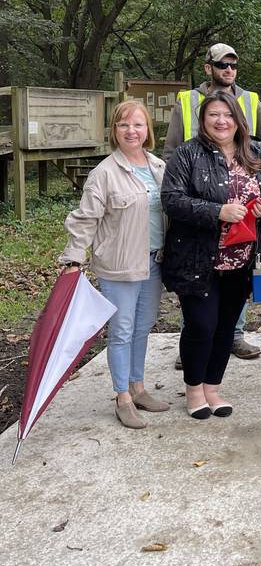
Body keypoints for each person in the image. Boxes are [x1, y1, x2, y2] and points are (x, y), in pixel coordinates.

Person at [161, 91, 261, 419]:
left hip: (242, 259)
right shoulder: (188, 154)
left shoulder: (256, 151)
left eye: (227, 115)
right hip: (197, 258)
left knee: (226, 327)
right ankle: (193, 389)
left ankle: (213, 389)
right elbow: (171, 199)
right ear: (204, 120)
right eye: (213, 115)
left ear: (237, 120)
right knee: (201, 325)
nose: (221, 121)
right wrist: (217, 211)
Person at [58, 100, 168, 429]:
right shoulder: (103, 174)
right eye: (123, 125)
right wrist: (73, 258)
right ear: (114, 131)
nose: (131, 131)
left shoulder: (158, 167)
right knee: (121, 331)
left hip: (154, 262)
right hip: (120, 266)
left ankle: (138, 387)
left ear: (147, 130)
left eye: (137, 125)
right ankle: (122, 397)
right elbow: (84, 220)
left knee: (143, 326)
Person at [163, 43, 261, 363]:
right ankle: (193, 337)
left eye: (233, 65)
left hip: (241, 217)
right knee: (197, 276)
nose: (228, 70)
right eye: (222, 65)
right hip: (197, 214)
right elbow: (170, 153)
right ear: (208, 67)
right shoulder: (187, 102)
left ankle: (234, 336)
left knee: (237, 271)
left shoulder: (252, 102)